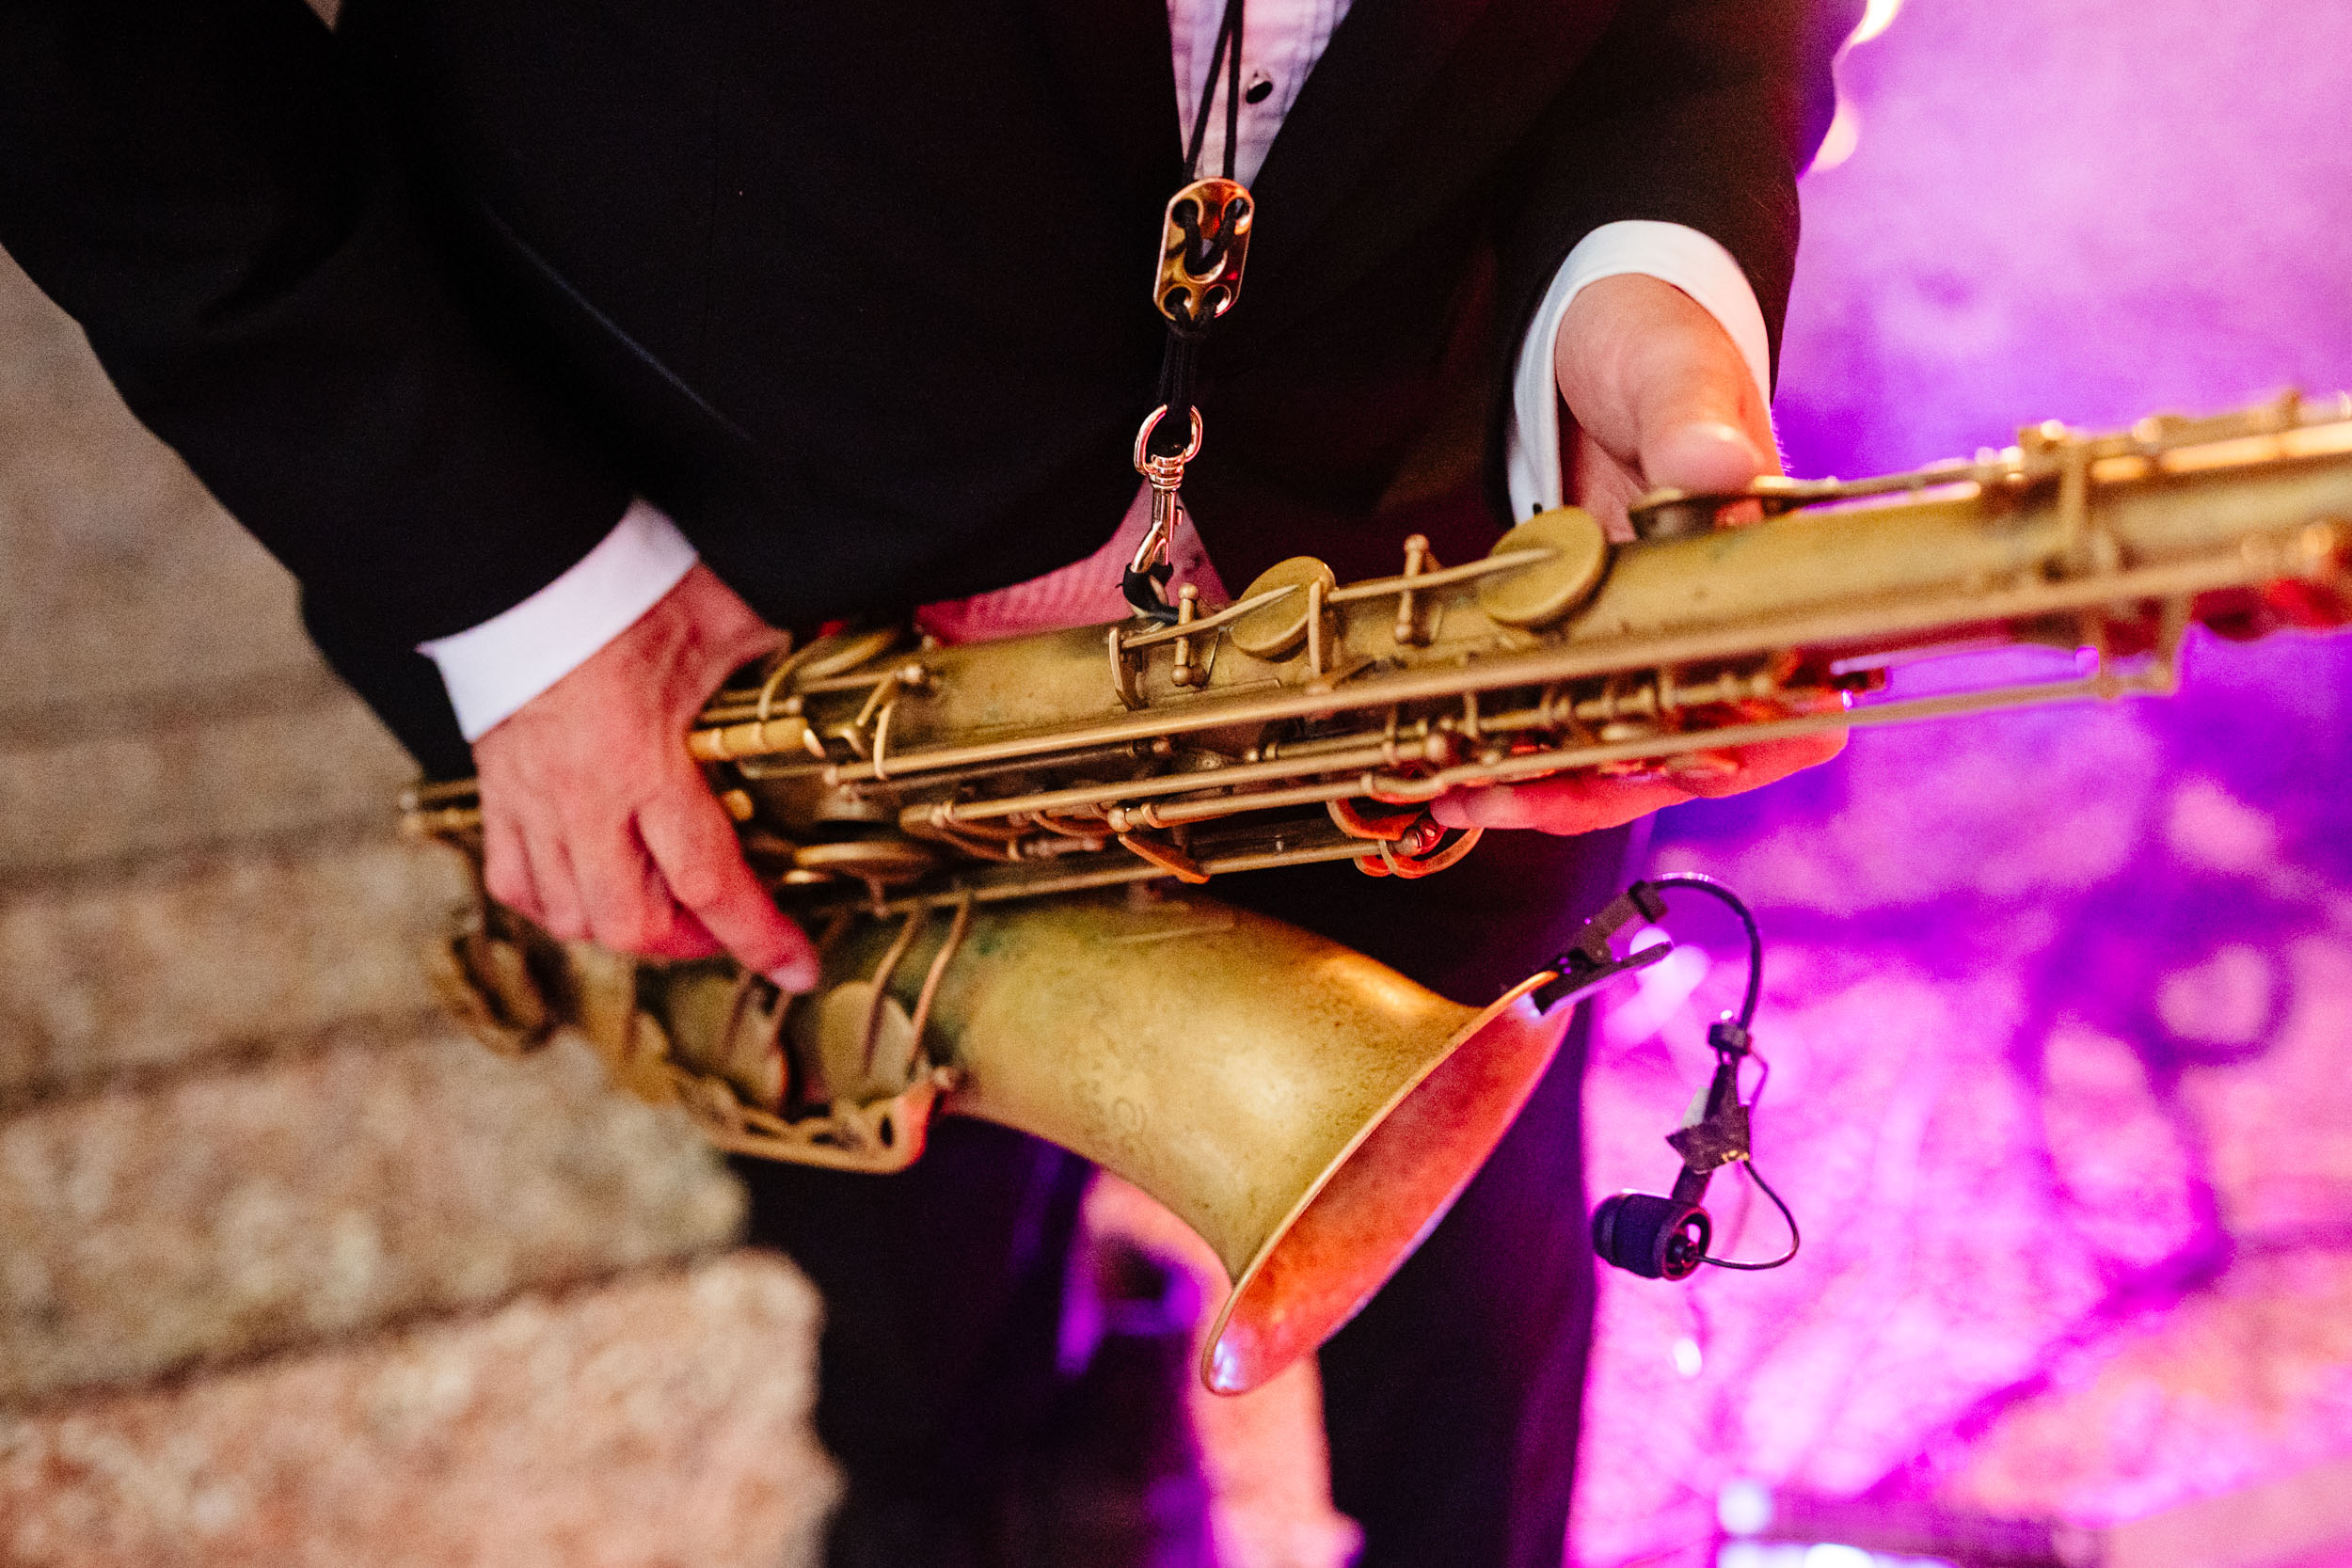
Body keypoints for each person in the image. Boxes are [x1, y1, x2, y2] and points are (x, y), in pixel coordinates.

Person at [0, 1, 1851, 1561]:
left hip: (1411, 597)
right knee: (908, 1319)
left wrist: (1651, 247)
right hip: (708, 625)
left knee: (1473, 1325)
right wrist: (527, 592)